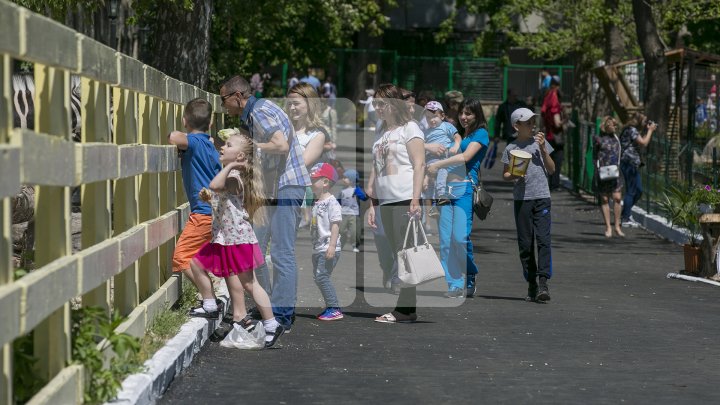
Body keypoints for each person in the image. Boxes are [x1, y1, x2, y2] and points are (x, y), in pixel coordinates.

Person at [219, 76, 311, 331]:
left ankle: (282, 314)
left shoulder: (259, 111)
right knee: (255, 248)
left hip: (286, 185)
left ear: (238, 96)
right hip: (274, 188)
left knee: (281, 252)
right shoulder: (256, 112)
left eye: (224, 98)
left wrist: (247, 147)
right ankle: (269, 307)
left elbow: (281, 145)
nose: (223, 105)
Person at [189, 130, 285, 348]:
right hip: (225, 239)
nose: (222, 147)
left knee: (251, 284)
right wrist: (211, 195)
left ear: (240, 157)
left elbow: (216, 186)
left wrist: (230, 167)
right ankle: (211, 304)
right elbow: (218, 194)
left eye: (229, 145)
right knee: (196, 264)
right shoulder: (231, 176)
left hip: (237, 240)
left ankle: (271, 324)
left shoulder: (235, 177)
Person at [367, 83, 425, 323]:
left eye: (382, 103)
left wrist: (415, 198)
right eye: (375, 104)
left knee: (405, 254)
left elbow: (419, 164)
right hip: (387, 199)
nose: (378, 108)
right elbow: (376, 167)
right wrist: (372, 203)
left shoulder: (410, 128)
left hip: (403, 197)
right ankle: (407, 309)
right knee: (398, 253)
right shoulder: (382, 131)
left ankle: (405, 309)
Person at [427, 98, 489, 298]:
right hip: (446, 189)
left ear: (477, 115)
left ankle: (470, 273)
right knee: (445, 241)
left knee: (459, 238)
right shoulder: (462, 134)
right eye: (462, 113)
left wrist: (439, 164)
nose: (463, 117)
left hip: (464, 189)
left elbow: (465, 157)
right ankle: (454, 283)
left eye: (468, 113)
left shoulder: (481, 134)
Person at [168, 98, 223, 302]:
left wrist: (179, 137)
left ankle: (209, 300)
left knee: (182, 257)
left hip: (203, 213)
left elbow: (174, 137)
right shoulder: (212, 146)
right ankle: (210, 291)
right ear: (210, 124)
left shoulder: (195, 142)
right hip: (215, 212)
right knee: (197, 258)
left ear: (184, 121)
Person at [501, 107, 555, 303]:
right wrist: (515, 174)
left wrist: (542, 149)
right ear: (517, 126)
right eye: (528, 123)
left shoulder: (540, 144)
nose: (533, 126)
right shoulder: (510, 148)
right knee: (525, 244)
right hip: (522, 199)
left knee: (543, 239)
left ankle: (543, 282)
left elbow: (552, 169)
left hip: (542, 197)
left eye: (534, 122)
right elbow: (506, 175)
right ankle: (531, 281)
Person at [286, 82, 332, 229]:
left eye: (296, 104)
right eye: (289, 104)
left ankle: (307, 218)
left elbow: (301, 163)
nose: (292, 108)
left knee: (282, 246)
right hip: (269, 191)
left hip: (292, 194)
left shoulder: (316, 135)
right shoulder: (281, 129)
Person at [307, 163, 345, 321]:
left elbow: (335, 225)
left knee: (322, 276)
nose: (311, 183)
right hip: (318, 247)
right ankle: (330, 306)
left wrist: (331, 245)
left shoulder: (332, 202)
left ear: (325, 182)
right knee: (318, 277)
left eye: (314, 179)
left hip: (328, 247)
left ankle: (334, 308)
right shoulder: (316, 202)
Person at [421, 101, 461, 218]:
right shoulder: (425, 132)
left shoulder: (446, 126)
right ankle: (433, 206)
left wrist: (456, 145)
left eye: (434, 117)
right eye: (428, 118)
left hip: (443, 158)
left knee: (442, 174)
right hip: (430, 160)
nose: (432, 120)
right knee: (429, 187)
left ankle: (441, 196)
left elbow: (457, 137)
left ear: (442, 116)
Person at [619, 113, 657, 228]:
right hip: (628, 163)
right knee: (631, 190)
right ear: (638, 121)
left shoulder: (632, 130)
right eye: (644, 121)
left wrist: (647, 130)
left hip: (632, 164)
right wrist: (650, 131)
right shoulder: (631, 130)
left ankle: (625, 213)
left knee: (639, 190)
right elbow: (644, 143)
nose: (646, 124)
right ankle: (625, 218)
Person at [594, 116, 625, 238]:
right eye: (613, 125)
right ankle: (608, 226)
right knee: (605, 199)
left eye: (616, 125)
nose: (615, 127)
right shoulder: (598, 139)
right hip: (603, 171)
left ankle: (617, 225)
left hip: (615, 171)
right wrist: (596, 170)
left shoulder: (617, 138)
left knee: (617, 197)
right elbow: (595, 156)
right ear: (606, 126)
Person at [541, 75, 564, 190]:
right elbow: (557, 122)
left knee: (548, 159)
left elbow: (542, 113)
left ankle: (549, 183)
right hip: (555, 135)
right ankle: (555, 185)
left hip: (547, 134)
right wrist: (565, 122)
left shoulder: (547, 96)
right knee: (558, 160)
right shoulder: (554, 97)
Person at [337, 169, 367, 253]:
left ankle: (355, 245)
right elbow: (338, 201)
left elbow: (363, 197)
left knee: (354, 231)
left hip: (353, 214)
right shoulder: (342, 190)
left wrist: (364, 195)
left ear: (352, 180)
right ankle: (340, 244)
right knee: (341, 230)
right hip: (343, 213)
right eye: (343, 177)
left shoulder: (356, 190)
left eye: (346, 178)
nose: (343, 179)